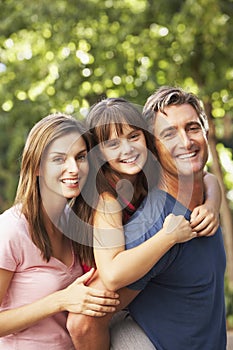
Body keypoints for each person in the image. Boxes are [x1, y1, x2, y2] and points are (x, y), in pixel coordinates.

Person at [67, 97, 222, 350]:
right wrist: (168, 237)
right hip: (105, 293)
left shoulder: (146, 175)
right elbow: (113, 274)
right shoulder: (107, 199)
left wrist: (212, 204)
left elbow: (207, 177)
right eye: (112, 144)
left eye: (134, 137)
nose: (127, 149)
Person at [111, 86, 226, 349]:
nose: (185, 142)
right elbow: (85, 323)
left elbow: (208, 177)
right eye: (168, 134)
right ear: (153, 149)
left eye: (193, 128)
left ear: (206, 132)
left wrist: (213, 202)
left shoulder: (204, 204)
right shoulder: (153, 226)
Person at [0, 113, 120, 350]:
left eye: (80, 157)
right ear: (36, 166)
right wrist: (60, 300)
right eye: (59, 159)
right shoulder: (11, 230)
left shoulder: (75, 223)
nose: (73, 168)